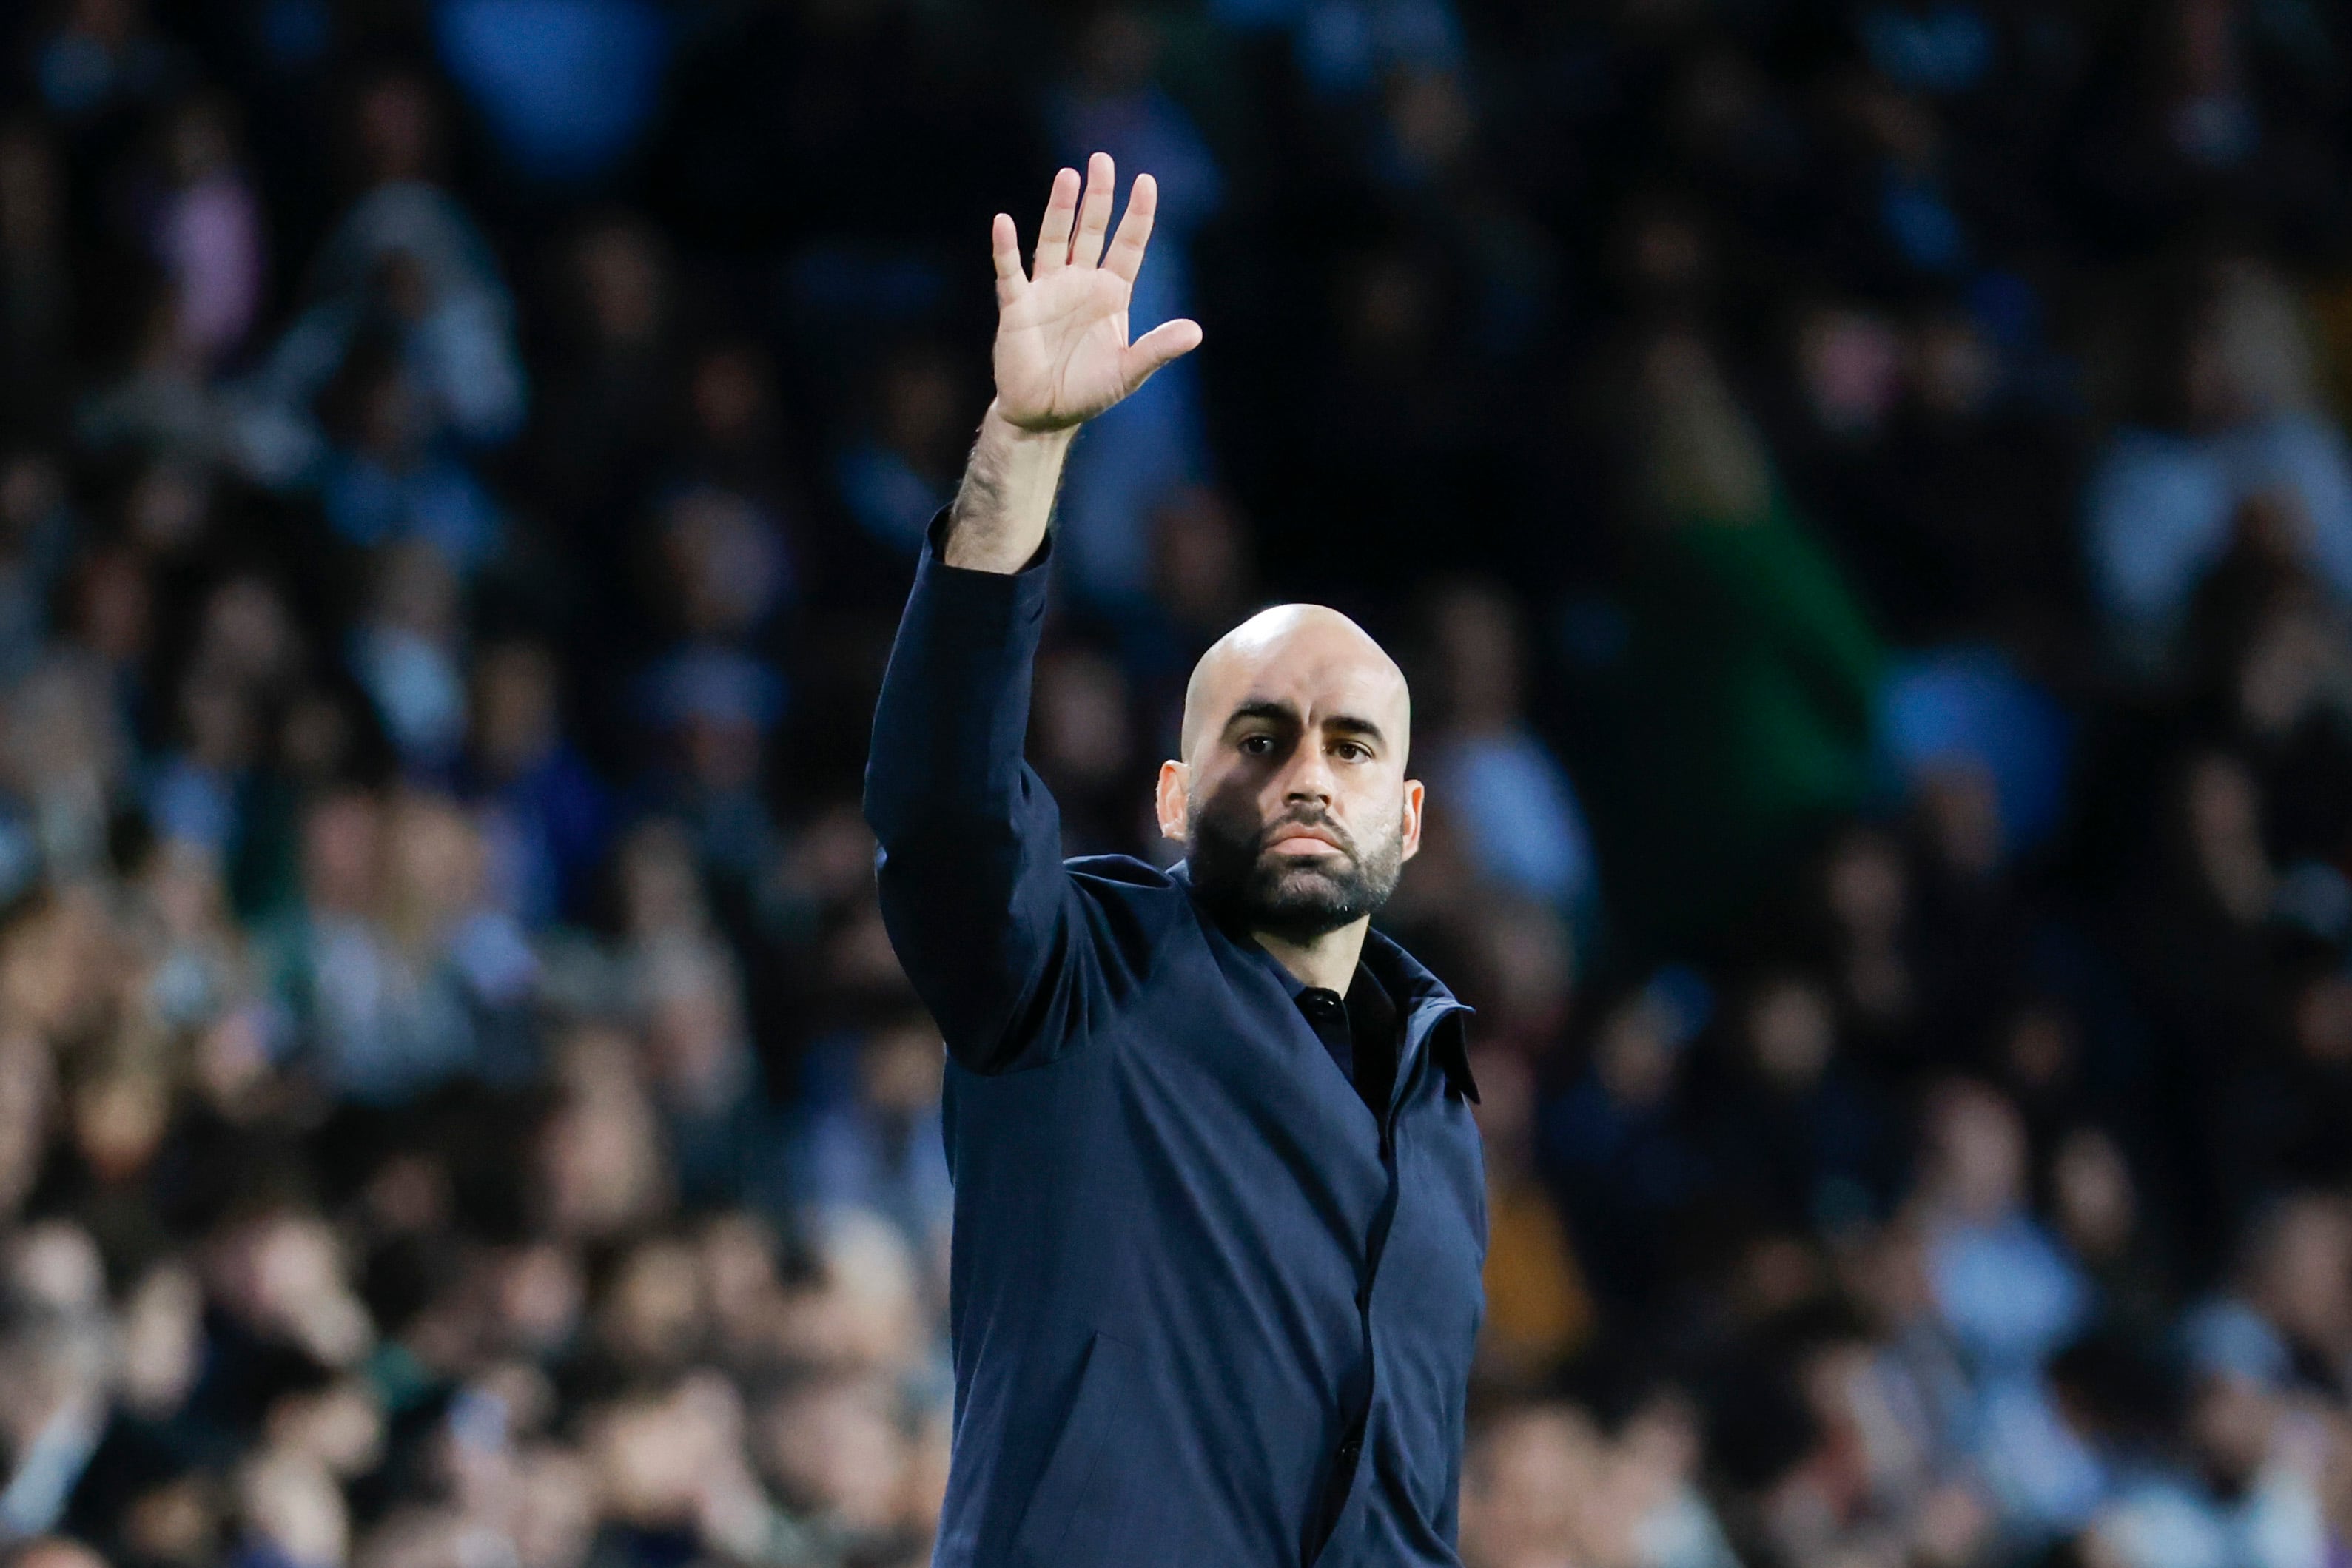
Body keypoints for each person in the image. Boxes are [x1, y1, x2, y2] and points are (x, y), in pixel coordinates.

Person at [864, 153, 1485, 1567]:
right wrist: (1019, 452)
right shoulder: (1069, 979)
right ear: (1168, 796)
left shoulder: (1439, 1100)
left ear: (1409, 818)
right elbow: (945, 806)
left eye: (1351, 747)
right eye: (1257, 738)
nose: (1306, 773)